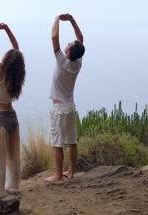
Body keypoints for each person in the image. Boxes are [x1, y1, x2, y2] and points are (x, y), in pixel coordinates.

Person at [0, 23, 26, 199]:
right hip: (12, 118)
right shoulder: (15, 73)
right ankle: (13, 186)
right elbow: (17, 51)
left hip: (0, 119)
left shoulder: (0, 71)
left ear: (7, 59)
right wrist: (8, 30)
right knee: (12, 154)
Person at [45, 13, 85, 182]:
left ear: (67, 52)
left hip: (59, 108)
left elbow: (54, 37)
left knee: (58, 143)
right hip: (71, 108)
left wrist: (57, 19)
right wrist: (72, 21)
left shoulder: (62, 61)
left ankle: (58, 175)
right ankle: (71, 172)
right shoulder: (77, 63)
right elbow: (80, 40)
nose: (67, 43)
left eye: (69, 44)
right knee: (72, 141)